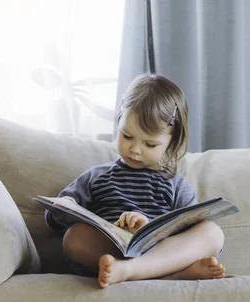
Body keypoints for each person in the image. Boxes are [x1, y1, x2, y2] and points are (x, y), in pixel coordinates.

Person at [45, 74, 226, 288]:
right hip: (109, 251)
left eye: (150, 145)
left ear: (170, 143)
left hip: (158, 254)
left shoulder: (175, 184)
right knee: (73, 237)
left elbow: (190, 232)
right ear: (119, 122)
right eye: (127, 136)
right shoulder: (97, 176)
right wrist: (64, 207)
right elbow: (54, 221)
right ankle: (168, 275)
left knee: (212, 233)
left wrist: (148, 227)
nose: (135, 150)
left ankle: (132, 271)